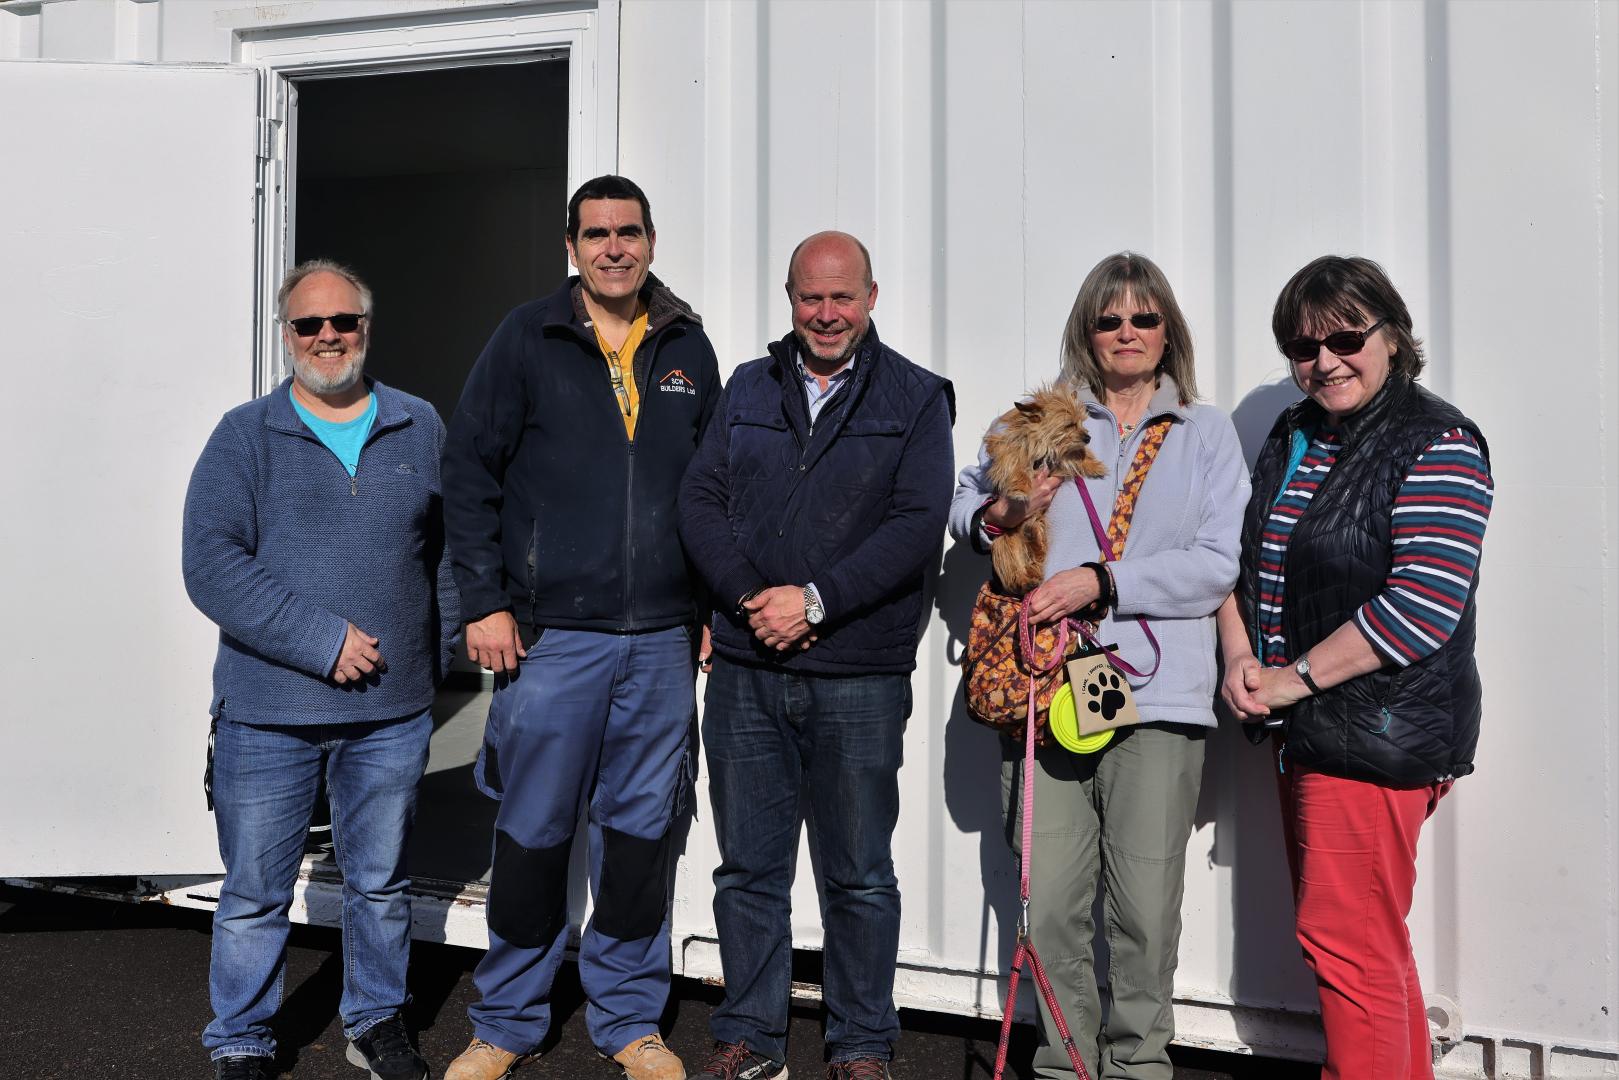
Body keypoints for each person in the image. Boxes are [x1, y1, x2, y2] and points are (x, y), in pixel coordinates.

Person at [439, 175, 721, 1080]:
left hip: (662, 642)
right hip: (553, 637)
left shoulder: (688, 347)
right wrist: (481, 601)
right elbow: (470, 470)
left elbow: (714, 496)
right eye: (595, 234)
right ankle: (506, 1023)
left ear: (649, 239)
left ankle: (629, 1020)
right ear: (571, 247)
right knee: (532, 834)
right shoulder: (527, 337)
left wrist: (711, 606)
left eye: (628, 232)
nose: (613, 248)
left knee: (641, 837)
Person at [949, 252, 1248, 1080]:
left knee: (1144, 911)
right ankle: (1066, 1067)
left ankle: (1139, 1067)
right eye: (1108, 319)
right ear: (1086, 330)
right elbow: (962, 505)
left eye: (1142, 318)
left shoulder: (1205, 431)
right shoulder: (1040, 422)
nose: (1125, 333)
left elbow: (1218, 561)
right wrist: (999, 513)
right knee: (1047, 906)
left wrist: (1103, 581)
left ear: (1167, 331)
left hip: (1158, 694)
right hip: (1049, 687)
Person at [679, 231, 955, 1080]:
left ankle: (861, 1043)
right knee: (748, 872)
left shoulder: (914, 397)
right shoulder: (748, 386)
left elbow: (916, 525)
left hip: (858, 675)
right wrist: (749, 603)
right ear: (789, 298)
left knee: (860, 875)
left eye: (842, 297)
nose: (826, 314)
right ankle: (749, 1038)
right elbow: (700, 497)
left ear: (871, 296)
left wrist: (815, 602)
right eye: (810, 297)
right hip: (747, 671)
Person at [1217, 255, 1493, 1080]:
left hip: (1376, 730)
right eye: (1302, 348)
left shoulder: (1436, 440)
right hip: (1312, 728)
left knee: (1344, 945)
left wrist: (1289, 678)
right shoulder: (1295, 433)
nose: (1324, 361)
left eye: (1344, 337)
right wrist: (1240, 655)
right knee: (1367, 944)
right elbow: (1239, 559)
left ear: (1391, 336)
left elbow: (1420, 606)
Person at [182, 260, 458, 1080]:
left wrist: (430, 662)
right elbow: (211, 565)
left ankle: (374, 1021)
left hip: (390, 716)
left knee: (379, 886)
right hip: (267, 715)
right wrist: (320, 639)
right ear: (286, 334)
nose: (327, 336)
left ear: (365, 330)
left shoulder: (419, 424)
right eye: (309, 325)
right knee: (255, 894)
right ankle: (241, 1037)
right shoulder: (244, 434)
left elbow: (440, 556)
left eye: (343, 322)